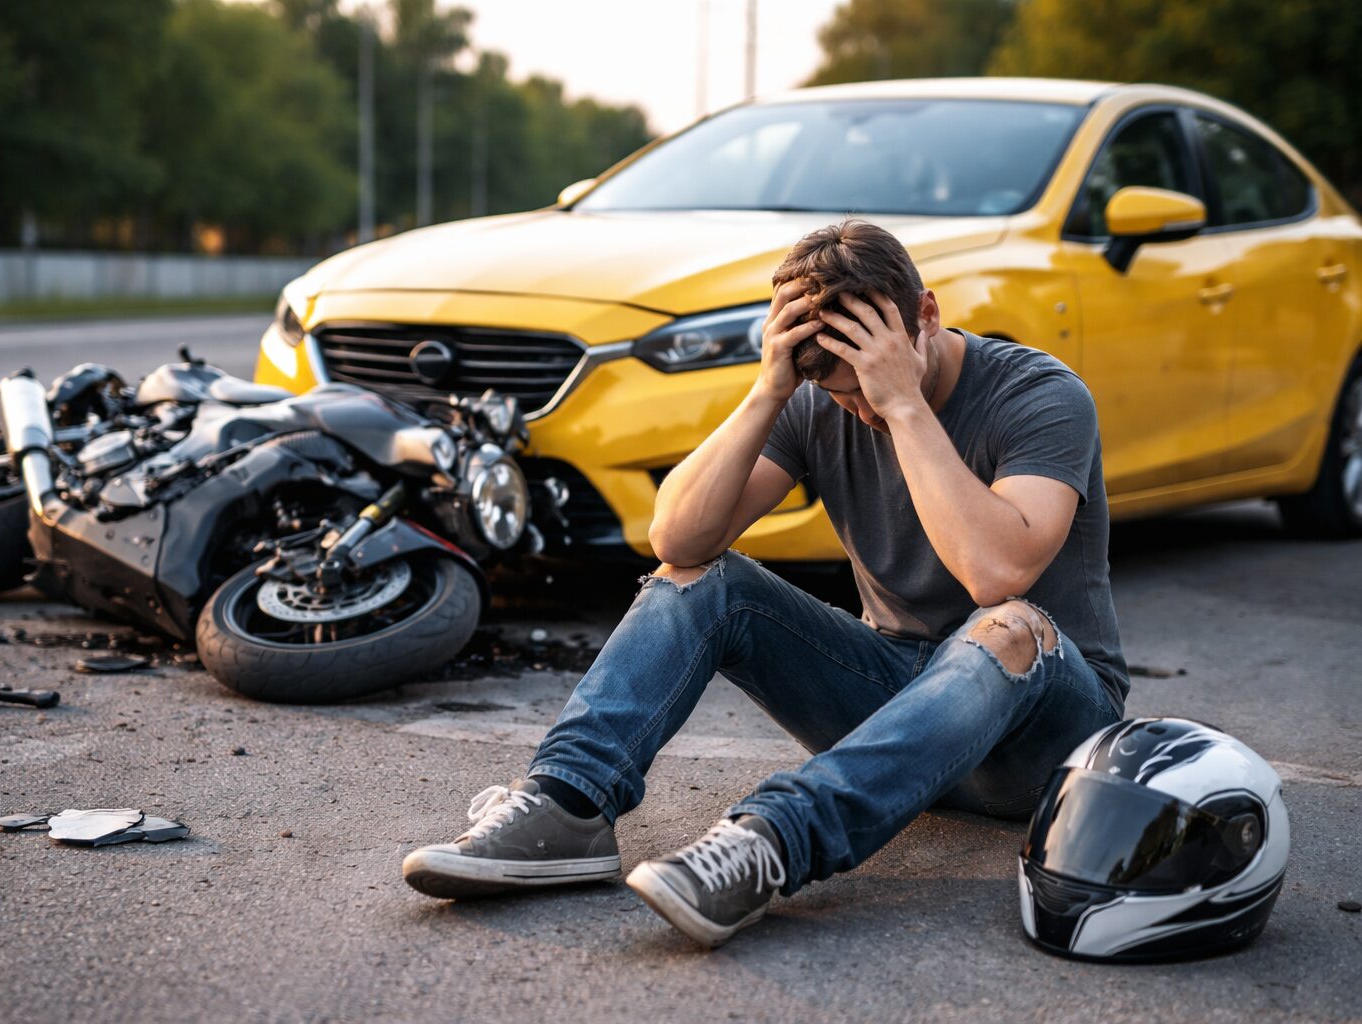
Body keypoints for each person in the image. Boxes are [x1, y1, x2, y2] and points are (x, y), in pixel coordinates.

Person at [401, 219, 1129, 947]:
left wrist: (904, 403)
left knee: (1003, 627)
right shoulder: (817, 399)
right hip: (899, 698)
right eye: (846, 394)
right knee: (704, 576)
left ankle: (768, 842)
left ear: (927, 316)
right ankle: (567, 804)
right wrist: (767, 393)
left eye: (873, 385)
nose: (865, 411)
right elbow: (677, 539)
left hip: (1046, 730)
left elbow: (995, 574)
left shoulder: (1040, 394)